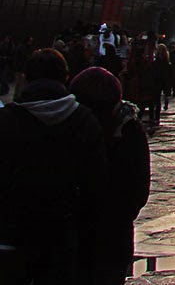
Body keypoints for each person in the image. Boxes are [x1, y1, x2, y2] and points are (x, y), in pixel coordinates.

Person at [0, 48, 108, 285]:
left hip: (11, 232)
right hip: (63, 233)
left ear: (27, 78)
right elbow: (96, 186)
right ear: (66, 78)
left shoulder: (6, 120)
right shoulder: (85, 121)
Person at [69, 66, 151, 285]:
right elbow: (139, 188)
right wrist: (122, 217)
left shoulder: (72, 127)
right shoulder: (131, 130)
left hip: (73, 236)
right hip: (116, 236)